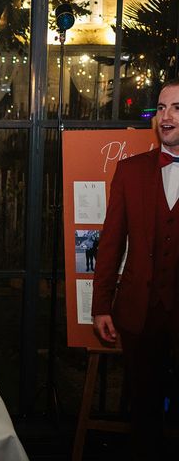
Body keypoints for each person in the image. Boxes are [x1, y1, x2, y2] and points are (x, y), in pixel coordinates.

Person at [92, 79, 179, 458]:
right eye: (161, 108)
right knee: (143, 414)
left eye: (176, 108)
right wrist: (101, 306)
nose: (166, 116)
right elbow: (110, 244)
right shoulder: (130, 171)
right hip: (138, 315)